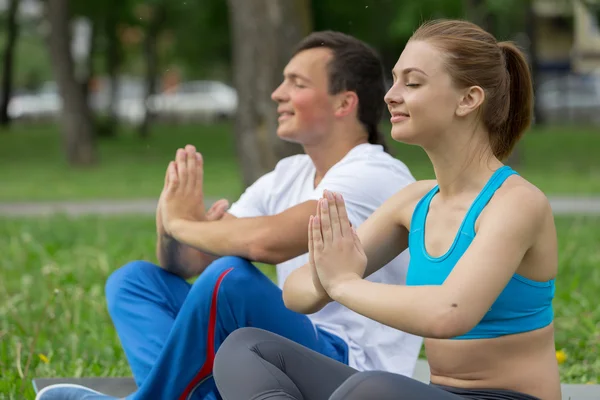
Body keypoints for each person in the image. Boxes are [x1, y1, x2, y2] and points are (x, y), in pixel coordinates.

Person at [35, 31, 422, 400]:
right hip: (282, 348)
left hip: (351, 368)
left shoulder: (374, 173)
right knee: (136, 282)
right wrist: (172, 224)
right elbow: (189, 260)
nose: (277, 93)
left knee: (228, 280)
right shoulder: (289, 174)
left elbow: (264, 242)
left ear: (344, 103)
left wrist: (185, 225)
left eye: (297, 83)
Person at [212, 18, 561, 400]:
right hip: (436, 393)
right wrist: (330, 273)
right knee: (247, 349)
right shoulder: (414, 203)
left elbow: (450, 311)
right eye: (394, 80)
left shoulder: (516, 203)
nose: (391, 95)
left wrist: (343, 283)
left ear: (469, 99)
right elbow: (296, 293)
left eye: (412, 83)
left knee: (371, 388)